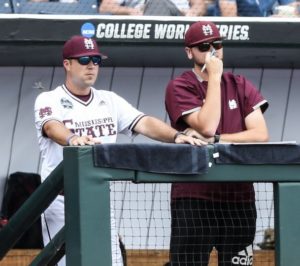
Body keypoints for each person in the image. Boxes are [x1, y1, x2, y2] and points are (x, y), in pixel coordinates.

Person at [34, 35, 205, 266]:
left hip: (99, 197)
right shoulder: (49, 98)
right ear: (67, 64)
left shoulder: (110, 100)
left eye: (96, 60)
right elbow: (52, 127)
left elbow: (143, 122)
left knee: (111, 261)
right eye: (84, 60)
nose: (92, 65)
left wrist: (177, 136)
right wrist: (73, 138)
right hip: (60, 201)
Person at [165, 21, 269, 265]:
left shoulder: (240, 83)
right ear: (189, 52)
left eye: (217, 44)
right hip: (194, 196)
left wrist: (216, 140)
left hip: (238, 197)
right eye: (204, 46)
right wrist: (214, 75)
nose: (212, 51)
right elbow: (207, 124)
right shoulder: (180, 86)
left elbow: (260, 135)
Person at [98, 0, 207, 16]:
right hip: (142, 19)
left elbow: (200, 4)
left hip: (178, 17)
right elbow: (105, 7)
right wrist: (130, 11)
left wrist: (191, 12)